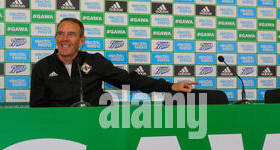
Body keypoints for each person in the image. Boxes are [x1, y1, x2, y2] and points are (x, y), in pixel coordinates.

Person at [30, 18, 197, 107]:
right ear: (55, 38)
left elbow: (131, 80)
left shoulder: (93, 61)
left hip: (94, 127)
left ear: (81, 41)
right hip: (59, 130)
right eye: (61, 34)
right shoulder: (42, 67)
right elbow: (37, 110)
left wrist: (171, 86)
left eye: (71, 34)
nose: (65, 39)